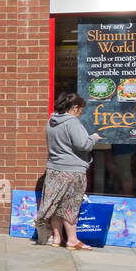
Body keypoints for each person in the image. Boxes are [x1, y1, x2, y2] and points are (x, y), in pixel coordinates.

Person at [35, 92, 101, 249]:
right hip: (72, 171)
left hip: (53, 169)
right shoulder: (72, 122)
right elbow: (83, 145)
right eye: (81, 111)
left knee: (56, 205)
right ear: (75, 107)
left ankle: (57, 239)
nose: (81, 114)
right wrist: (94, 138)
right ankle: (72, 240)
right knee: (70, 205)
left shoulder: (51, 121)